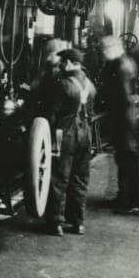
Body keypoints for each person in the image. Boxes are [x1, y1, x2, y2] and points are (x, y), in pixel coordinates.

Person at [43, 49, 96, 236]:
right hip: (85, 135)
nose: (61, 65)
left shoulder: (62, 84)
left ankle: (55, 222)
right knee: (80, 179)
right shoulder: (90, 85)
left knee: (58, 177)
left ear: (71, 63)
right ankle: (78, 222)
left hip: (63, 135)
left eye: (64, 62)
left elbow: (52, 115)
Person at [97, 35, 139, 214]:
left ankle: (135, 201)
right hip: (128, 117)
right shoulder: (125, 62)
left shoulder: (119, 66)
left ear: (110, 49)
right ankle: (125, 197)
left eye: (103, 50)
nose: (101, 54)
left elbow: (122, 96)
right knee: (125, 158)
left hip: (125, 119)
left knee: (128, 158)